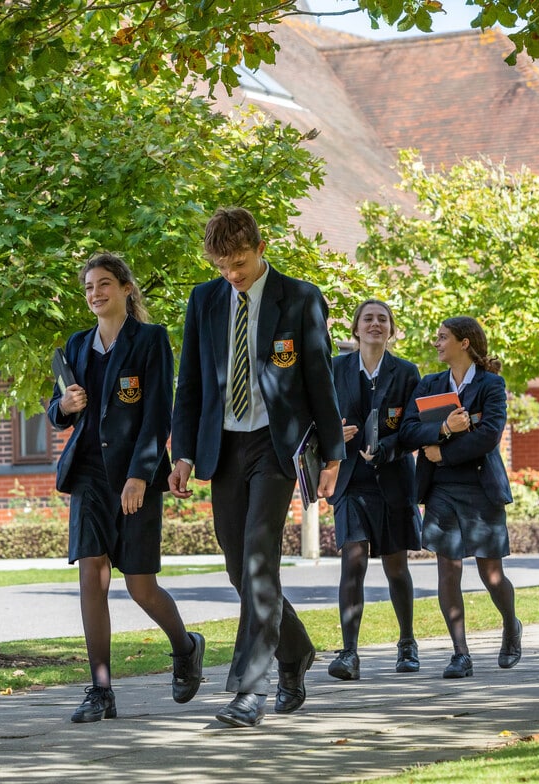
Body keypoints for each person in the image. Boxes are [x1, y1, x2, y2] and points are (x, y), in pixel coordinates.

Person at [169, 207, 346, 728]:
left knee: (258, 561)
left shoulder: (301, 298)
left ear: (259, 247)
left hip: (276, 445)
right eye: (223, 265)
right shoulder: (203, 301)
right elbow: (192, 382)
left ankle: (251, 689)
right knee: (236, 564)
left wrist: (333, 453)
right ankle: (295, 652)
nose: (232, 274)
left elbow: (320, 379)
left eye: (240, 262)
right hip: (223, 446)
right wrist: (181, 452)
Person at [48, 253, 204, 723]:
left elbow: (159, 411)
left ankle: (185, 647)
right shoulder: (76, 346)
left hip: (136, 475)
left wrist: (140, 474)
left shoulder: (151, 340)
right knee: (91, 576)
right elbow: (57, 410)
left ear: (126, 289)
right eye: (89, 287)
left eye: (104, 285)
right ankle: (100, 689)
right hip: (89, 476)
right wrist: (65, 405)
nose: (96, 294)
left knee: (140, 586)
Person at [397, 315, 521, 679]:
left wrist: (443, 452)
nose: (436, 343)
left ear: (464, 343)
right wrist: (443, 428)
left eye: (442, 337)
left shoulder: (491, 385)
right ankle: (460, 653)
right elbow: (407, 430)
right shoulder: (430, 384)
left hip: (481, 490)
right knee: (448, 571)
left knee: (491, 573)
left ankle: (511, 627)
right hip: (440, 491)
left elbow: (489, 436)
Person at [326, 300, 423, 681]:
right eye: (368, 319)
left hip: (394, 479)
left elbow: (414, 426)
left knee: (396, 566)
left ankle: (407, 644)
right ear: (356, 328)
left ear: (392, 329)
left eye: (382, 319)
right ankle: (349, 652)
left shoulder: (407, 373)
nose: (375, 324)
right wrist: (335, 434)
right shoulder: (335, 369)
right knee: (353, 560)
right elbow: (317, 418)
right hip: (350, 481)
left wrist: (389, 446)